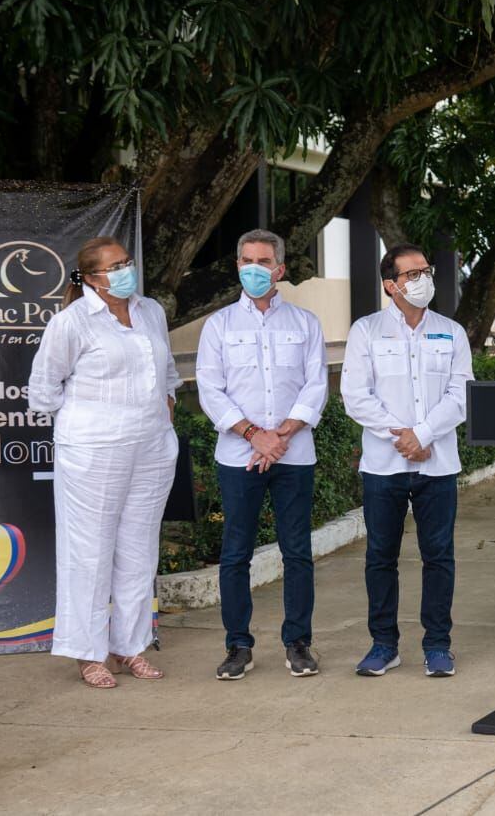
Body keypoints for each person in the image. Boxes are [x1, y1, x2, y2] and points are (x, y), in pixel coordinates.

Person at [29, 236, 180, 688]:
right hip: (93, 450)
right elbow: (43, 391)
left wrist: (166, 408)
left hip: (152, 446)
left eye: (127, 262)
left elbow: (167, 372)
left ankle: (129, 645)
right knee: (89, 552)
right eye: (114, 267)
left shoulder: (150, 311)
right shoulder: (72, 322)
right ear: (92, 278)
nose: (125, 271)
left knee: (139, 549)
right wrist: (92, 420)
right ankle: (88, 653)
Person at [195, 229, 328, 680]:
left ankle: (298, 643)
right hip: (239, 456)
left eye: (264, 261)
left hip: (294, 454)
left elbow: (316, 384)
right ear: (237, 266)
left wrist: (282, 433)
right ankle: (238, 645)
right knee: (236, 553)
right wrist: (254, 434)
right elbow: (210, 389)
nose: (254, 268)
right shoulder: (219, 325)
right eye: (247, 260)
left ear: (280, 269)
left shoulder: (305, 323)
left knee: (298, 552)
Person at [342, 244, 473, 678]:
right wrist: (402, 437)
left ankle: (438, 645)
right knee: (381, 556)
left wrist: (425, 434)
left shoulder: (451, 332)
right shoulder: (366, 331)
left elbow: (461, 393)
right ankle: (384, 645)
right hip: (385, 465)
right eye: (412, 274)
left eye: (426, 271)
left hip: (437, 464)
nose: (423, 279)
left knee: (439, 557)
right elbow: (356, 396)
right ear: (390, 285)